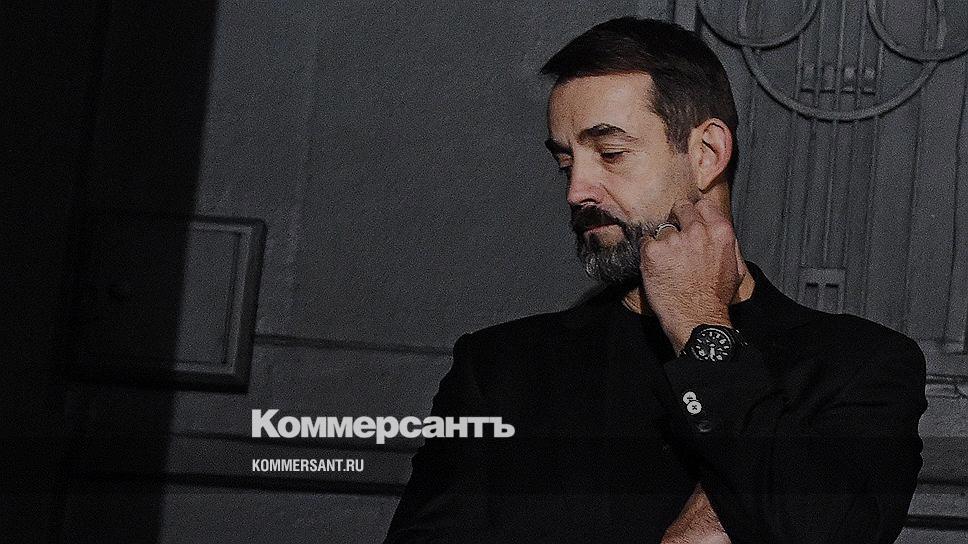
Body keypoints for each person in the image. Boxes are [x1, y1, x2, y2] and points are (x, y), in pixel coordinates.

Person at [384, 16, 926, 544]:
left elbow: (832, 530)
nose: (577, 190)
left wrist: (698, 325)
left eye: (611, 153)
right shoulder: (500, 370)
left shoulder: (857, 367)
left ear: (706, 154)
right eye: (566, 163)